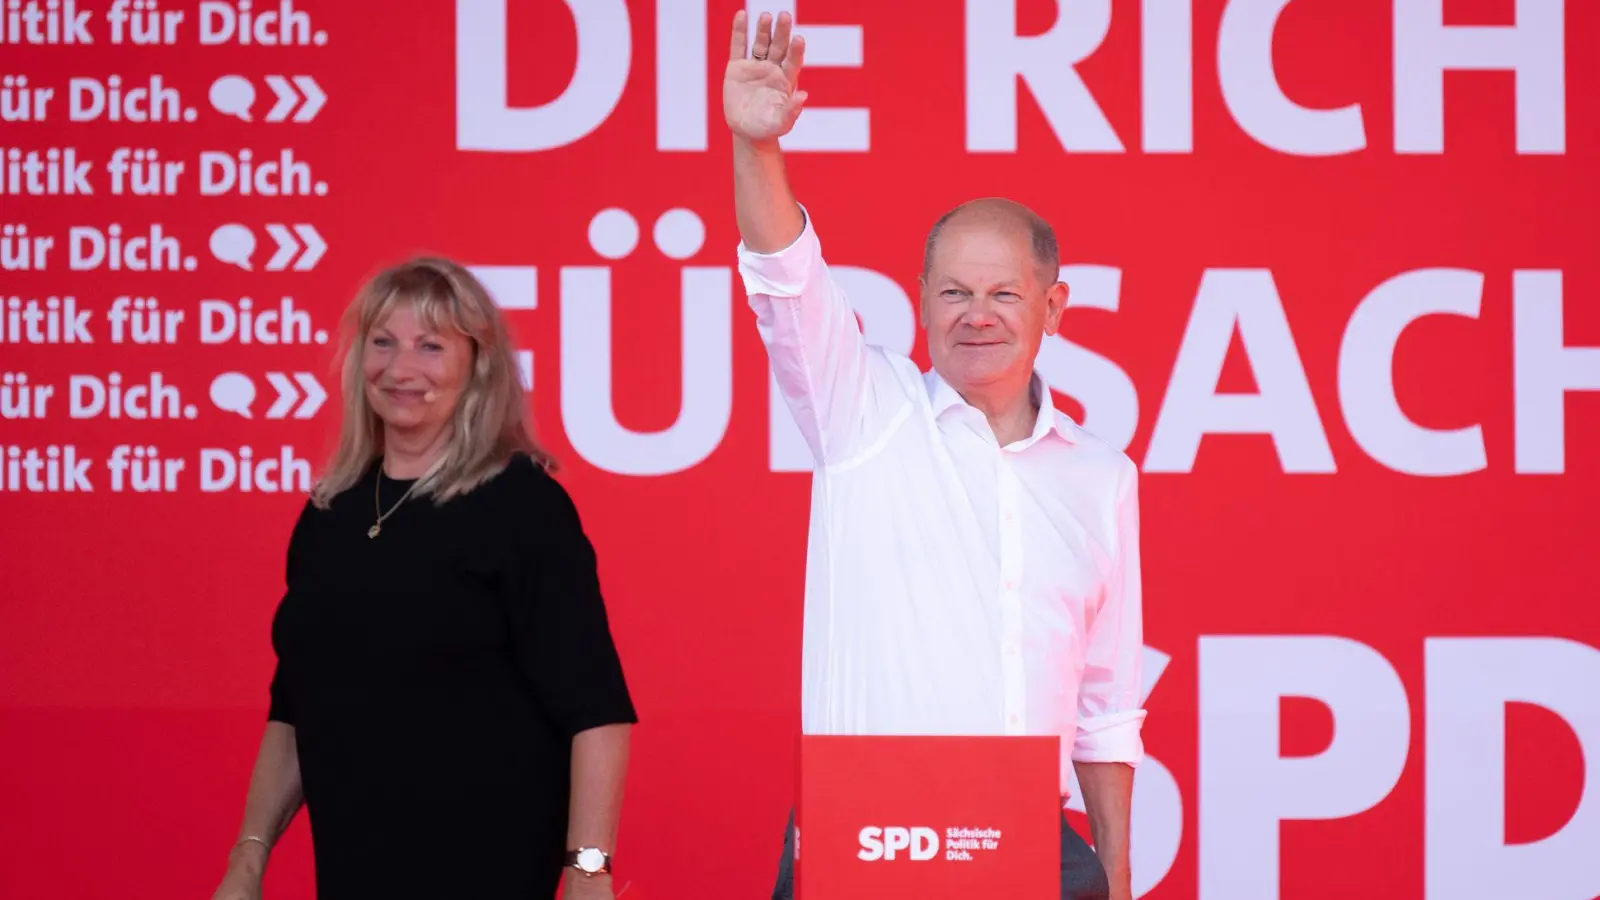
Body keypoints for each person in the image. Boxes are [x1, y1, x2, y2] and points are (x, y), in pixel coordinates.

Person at [724, 11, 1146, 900]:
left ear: (1054, 306)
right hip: (865, 838)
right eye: (953, 291)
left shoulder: (1102, 479)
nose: (976, 315)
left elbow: (1107, 714)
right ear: (919, 299)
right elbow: (786, 280)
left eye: (1002, 293)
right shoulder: (863, 412)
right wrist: (756, 149)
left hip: (1036, 842)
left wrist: (1117, 873)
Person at [208, 258, 638, 900]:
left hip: (487, 866)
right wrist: (250, 855)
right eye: (383, 342)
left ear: (477, 366)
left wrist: (588, 869)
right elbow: (294, 708)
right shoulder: (331, 513)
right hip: (356, 871)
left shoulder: (522, 508)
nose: (400, 368)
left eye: (430, 346)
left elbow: (597, 710)